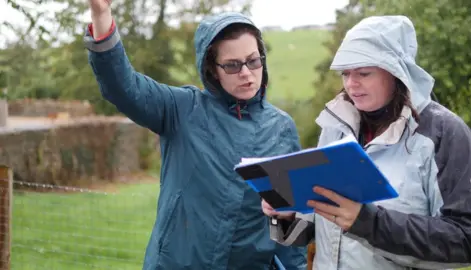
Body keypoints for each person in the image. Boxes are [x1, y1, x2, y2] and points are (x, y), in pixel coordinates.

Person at [83, 1, 308, 270]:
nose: (247, 73)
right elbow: (123, 86)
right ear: (212, 68)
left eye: (253, 61)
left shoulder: (281, 128)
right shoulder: (182, 109)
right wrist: (101, 13)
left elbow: (290, 226)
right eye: (233, 65)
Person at [263, 15, 471, 270]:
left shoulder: (445, 134)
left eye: (364, 73)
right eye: (346, 73)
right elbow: (324, 227)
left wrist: (369, 223)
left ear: (397, 71)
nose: (351, 84)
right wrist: (289, 214)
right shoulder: (336, 127)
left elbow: (469, 239)